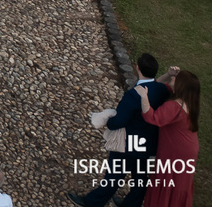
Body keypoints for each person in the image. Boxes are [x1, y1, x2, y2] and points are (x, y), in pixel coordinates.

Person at [68, 53, 174, 207]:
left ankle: (92, 203)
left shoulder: (134, 95)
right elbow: (158, 86)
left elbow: (118, 121)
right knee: (140, 179)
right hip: (149, 143)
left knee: (113, 177)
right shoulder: (162, 90)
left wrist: (108, 119)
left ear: (137, 68)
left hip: (128, 144)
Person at [138, 70, 199, 207]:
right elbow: (157, 84)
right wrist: (167, 74)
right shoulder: (189, 102)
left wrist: (143, 96)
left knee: (166, 180)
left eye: (176, 78)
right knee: (180, 182)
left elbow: (152, 117)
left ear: (181, 85)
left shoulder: (173, 106)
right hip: (188, 149)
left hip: (174, 151)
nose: (173, 78)